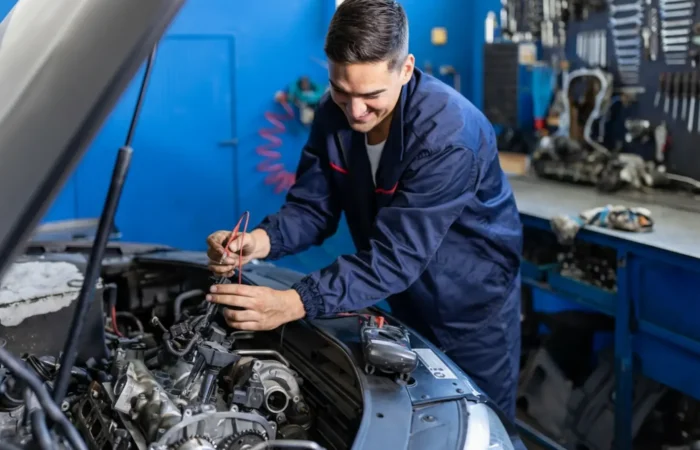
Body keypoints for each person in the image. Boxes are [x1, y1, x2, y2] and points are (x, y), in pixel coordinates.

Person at [206, 0, 523, 420]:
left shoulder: (449, 137)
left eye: (372, 96)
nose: (356, 111)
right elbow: (313, 207)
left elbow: (395, 255)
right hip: (403, 299)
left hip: (471, 309)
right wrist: (257, 242)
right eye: (342, 90)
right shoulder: (332, 113)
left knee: (483, 428)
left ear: (406, 69)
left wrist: (293, 302)